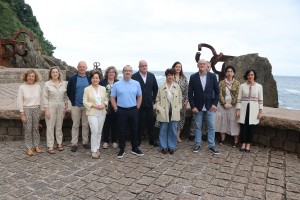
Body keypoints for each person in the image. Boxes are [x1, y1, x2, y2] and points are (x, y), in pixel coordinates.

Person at [188, 59, 220, 155]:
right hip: (198, 107)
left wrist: (215, 104)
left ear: (207, 66)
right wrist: (192, 106)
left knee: (211, 126)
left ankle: (211, 145)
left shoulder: (213, 76)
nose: (202, 65)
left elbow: (217, 91)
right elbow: (190, 93)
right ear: (198, 65)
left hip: (210, 106)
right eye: (200, 64)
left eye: (204, 64)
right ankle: (197, 144)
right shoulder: (193, 77)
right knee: (198, 127)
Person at [111, 65, 143, 158]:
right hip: (121, 110)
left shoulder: (136, 83)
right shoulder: (117, 84)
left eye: (129, 71)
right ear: (123, 72)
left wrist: (137, 108)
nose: (128, 72)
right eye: (126, 71)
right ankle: (122, 149)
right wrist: (116, 108)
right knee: (121, 130)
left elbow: (140, 96)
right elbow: (112, 97)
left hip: (133, 110)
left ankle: (135, 148)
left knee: (134, 130)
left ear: (132, 72)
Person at [132, 60, 158, 147]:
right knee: (138, 122)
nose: (144, 67)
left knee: (150, 122)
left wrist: (153, 100)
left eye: (145, 65)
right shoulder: (134, 76)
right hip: (137, 104)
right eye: (142, 65)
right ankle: (138, 140)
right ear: (139, 67)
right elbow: (131, 91)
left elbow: (155, 89)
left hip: (149, 103)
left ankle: (152, 140)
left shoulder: (151, 75)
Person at [156, 68, 182, 154]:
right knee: (163, 129)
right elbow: (157, 99)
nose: (170, 77)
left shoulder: (177, 86)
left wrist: (178, 107)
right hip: (164, 111)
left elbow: (180, 99)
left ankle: (171, 146)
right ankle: (163, 147)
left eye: (172, 75)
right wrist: (159, 108)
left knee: (173, 129)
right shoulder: (161, 86)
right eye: (169, 75)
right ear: (166, 76)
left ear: (174, 76)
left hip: (174, 111)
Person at [236, 69, 263, 152]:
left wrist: (260, 111)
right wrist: (238, 110)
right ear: (246, 76)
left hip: (254, 110)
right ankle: (243, 143)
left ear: (254, 76)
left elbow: (261, 100)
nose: (250, 76)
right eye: (248, 75)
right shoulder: (242, 86)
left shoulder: (259, 86)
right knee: (243, 127)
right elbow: (239, 99)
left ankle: (248, 144)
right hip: (244, 109)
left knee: (251, 128)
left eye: (251, 75)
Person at [67, 61, 91, 152]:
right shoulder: (72, 78)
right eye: (80, 66)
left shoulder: (89, 78)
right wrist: (73, 101)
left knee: (85, 125)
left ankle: (85, 142)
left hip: (86, 105)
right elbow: (68, 91)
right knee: (75, 125)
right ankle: (74, 143)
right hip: (75, 105)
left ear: (86, 68)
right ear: (77, 67)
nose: (82, 68)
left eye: (83, 67)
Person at [17, 69, 43, 156]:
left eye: (32, 76)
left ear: (35, 77)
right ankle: (28, 148)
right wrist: (22, 113)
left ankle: (36, 145)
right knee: (28, 129)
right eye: (29, 76)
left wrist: (41, 109)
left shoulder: (38, 87)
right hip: (26, 109)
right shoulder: (22, 87)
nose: (31, 78)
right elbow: (19, 101)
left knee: (36, 128)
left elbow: (41, 99)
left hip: (36, 108)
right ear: (26, 77)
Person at [43, 66, 68, 154]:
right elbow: (45, 97)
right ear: (50, 74)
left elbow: (65, 96)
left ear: (58, 73)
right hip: (51, 105)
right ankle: (50, 145)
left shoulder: (63, 83)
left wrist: (66, 106)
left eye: (56, 72)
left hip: (61, 105)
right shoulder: (47, 84)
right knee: (50, 126)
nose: (55, 73)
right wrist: (46, 110)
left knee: (59, 125)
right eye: (53, 72)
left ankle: (59, 143)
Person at [83, 70, 107, 159]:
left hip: (102, 112)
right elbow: (84, 101)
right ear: (91, 79)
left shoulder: (103, 88)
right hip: (92, 112)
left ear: (99, 79)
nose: (95, 79)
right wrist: (94, 105)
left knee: (99, 131)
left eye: (96, 78)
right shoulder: (87, 89)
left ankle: (97, 148)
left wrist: (104, 105)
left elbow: (106, 100)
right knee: (94, 131)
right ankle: (93, 150)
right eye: (93, 78)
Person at [215, 66, 240, 147]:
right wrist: (224, 103)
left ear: (233, 73)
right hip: (223, 105)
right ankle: (222, 138)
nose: (229, 73)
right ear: (225, 73)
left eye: (231, 71)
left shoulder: (237, 83)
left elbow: (237, 95)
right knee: (223, 121)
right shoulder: (222, 82)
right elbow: (219, 94)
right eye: (228, 71)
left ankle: (236, 141)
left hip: (233, 105)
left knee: (234, 121)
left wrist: (232, 103)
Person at [100, 66, 119, 149]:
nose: (111, 73)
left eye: (112, 72)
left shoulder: (118, 82)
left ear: (115, 74)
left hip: (116, 105)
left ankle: (115, 140)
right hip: (105, 106)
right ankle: (105, 141)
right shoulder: (102, 82)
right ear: (107, 73)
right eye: (109, 72)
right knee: (106, 124)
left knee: (115, 124)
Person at [172, 61, 188, 143]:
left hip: (182, 102)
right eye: (177, 66)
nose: (178, 68)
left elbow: (187, 91)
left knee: (181, 119)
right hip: (172, 102)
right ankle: (172, 135)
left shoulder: (184, 78)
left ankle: (178, 136)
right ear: (174, 67)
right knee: (173, 119)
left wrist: (185, 101)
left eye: (180, 67)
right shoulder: (171, 77)